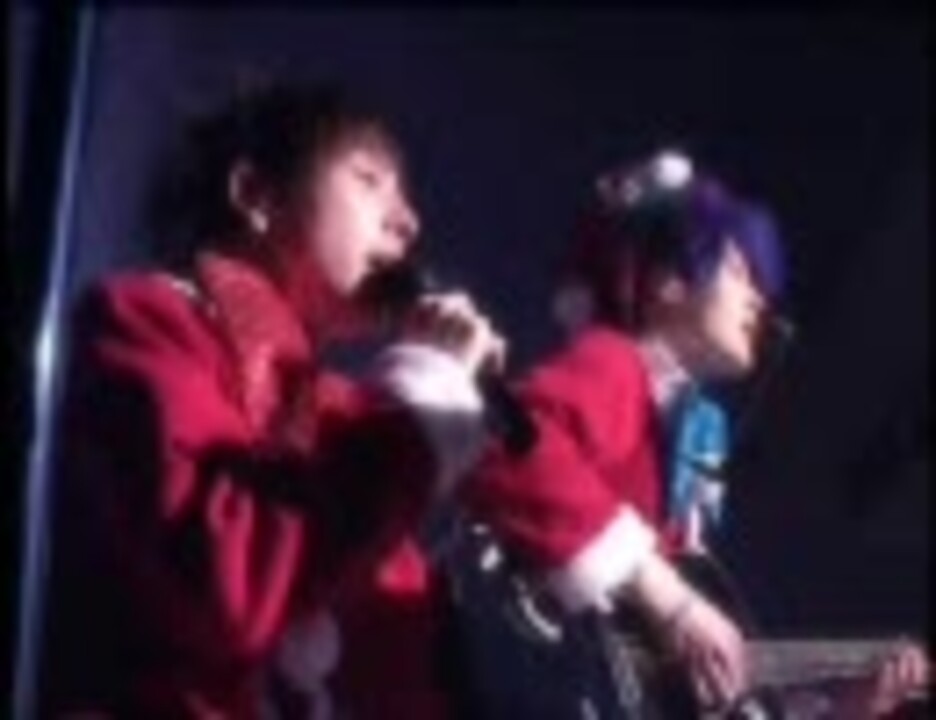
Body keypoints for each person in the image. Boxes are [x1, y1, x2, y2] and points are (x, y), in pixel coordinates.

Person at [38, 81, 505, 719]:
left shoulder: (336, 413)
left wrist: (464, 413)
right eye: (370, 180)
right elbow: (227, 584)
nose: (408, 221)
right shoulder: (145, 321)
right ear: (256, 196)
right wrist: (424, 398)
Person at [460, 150, 929, 717]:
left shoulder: (677, 442)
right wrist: (674, 602)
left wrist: (849, 708)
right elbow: (507, 442)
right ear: (670, 282)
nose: (760, 300)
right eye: (739, 272)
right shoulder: (617, 365)